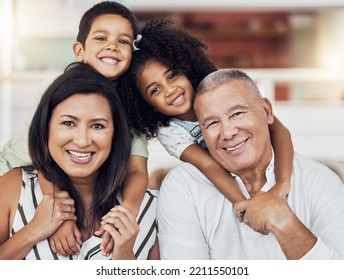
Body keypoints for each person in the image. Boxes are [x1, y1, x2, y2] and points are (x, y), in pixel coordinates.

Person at [0, 1, 149, 256]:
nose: (112, 45)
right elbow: (43, 152)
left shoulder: (133, 104)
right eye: (101, 37)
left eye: (123, 41)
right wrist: (61, 214)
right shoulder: (56, 85)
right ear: (79, 50)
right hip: (21, 169)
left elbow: (136, 169)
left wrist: (127, 214)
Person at [157, 68, 344, 259]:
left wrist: (284, 223)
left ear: (266, 112)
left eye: (237, 113)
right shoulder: (183, 187)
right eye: (212, 123)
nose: (228, 132)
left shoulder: (321, 182)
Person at [117, 19, 293, 219]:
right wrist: (243, 204)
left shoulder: (220, 89)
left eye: (172, 75)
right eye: (155, 90)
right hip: (229, 188)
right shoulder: (171, 132)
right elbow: (209, 166)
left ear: (187, 68)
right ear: (146, 104)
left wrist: (282, 183)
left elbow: (279, 131)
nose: (170, 90)